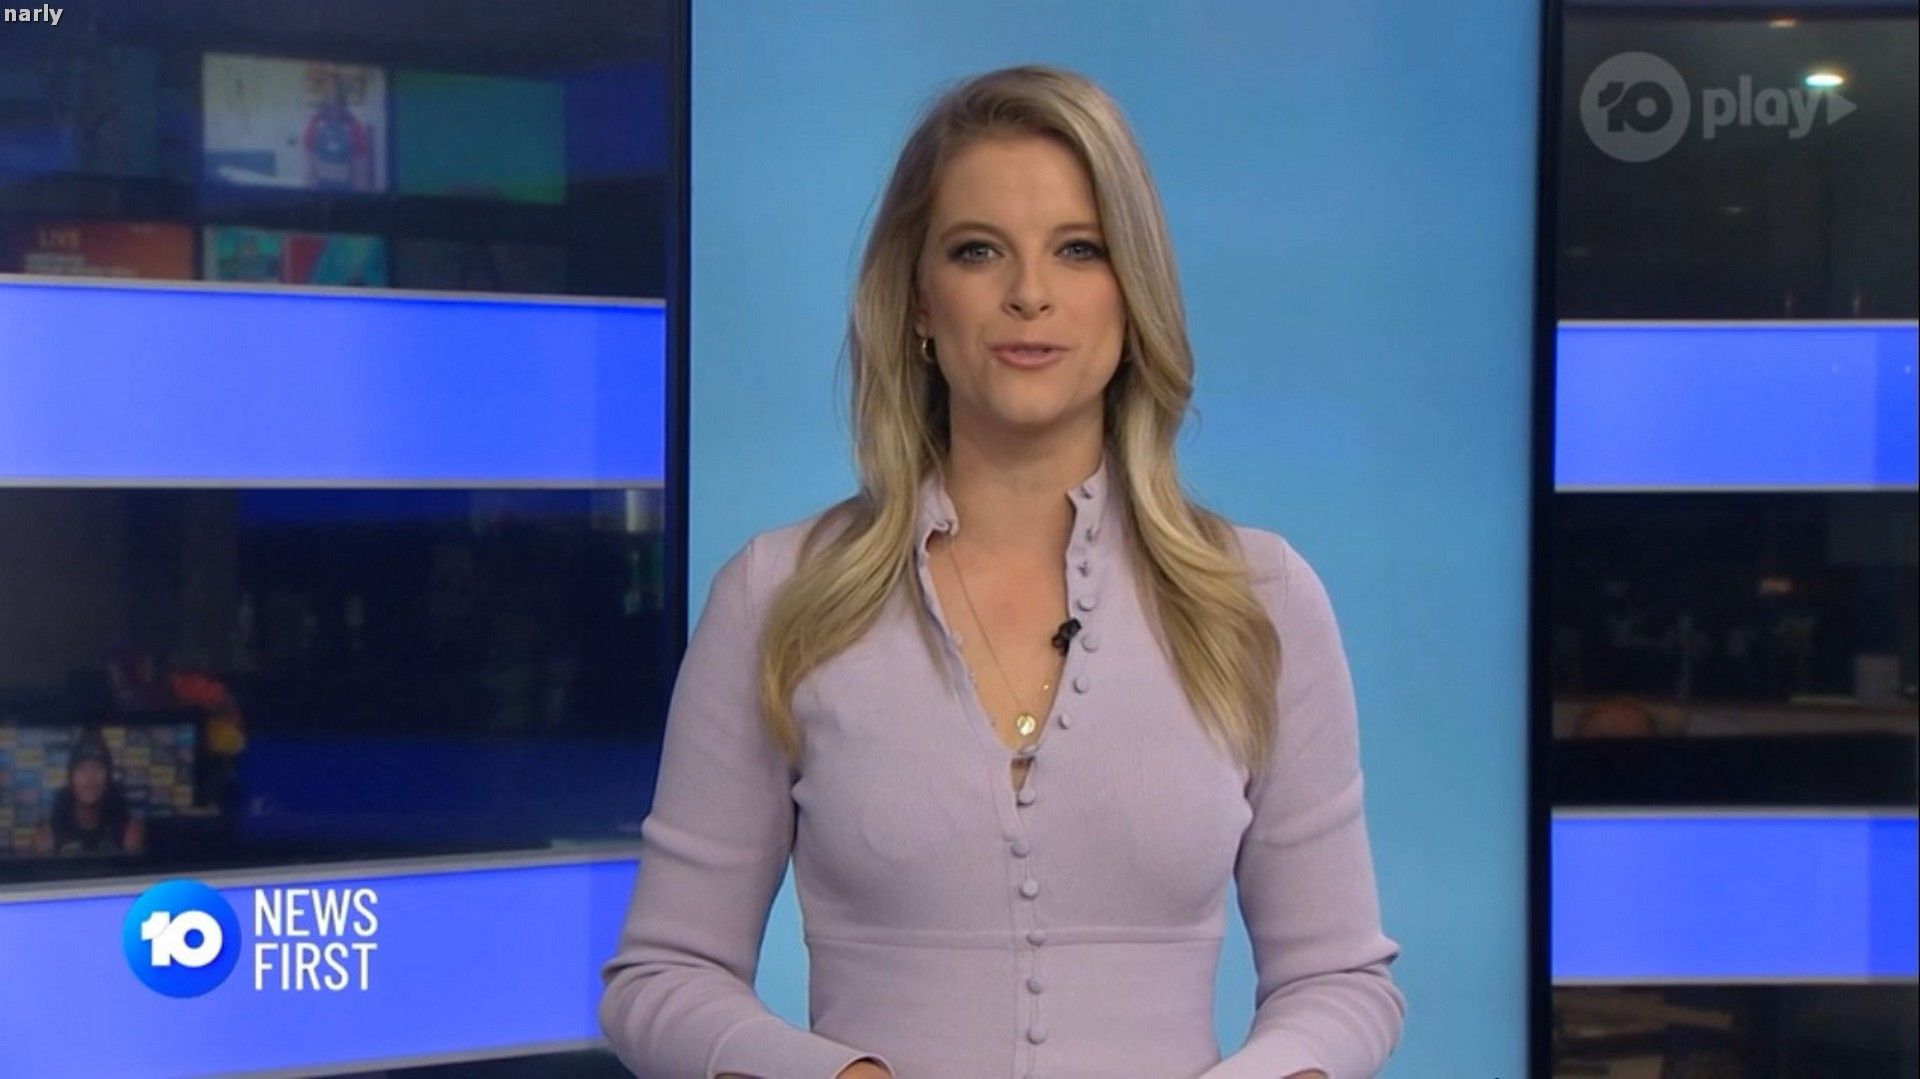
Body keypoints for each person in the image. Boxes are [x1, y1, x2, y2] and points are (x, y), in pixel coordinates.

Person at [598, 65, 1404, 1078]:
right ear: (918, 301)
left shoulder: (1258, 599)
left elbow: (1341, 980)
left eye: (1079, 249)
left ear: (1132, 294)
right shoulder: (780, 595)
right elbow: (662, 976)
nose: (1030, 293)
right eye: (978, 250)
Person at [32, 728, 146, 856]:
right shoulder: (48, 834)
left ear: (108, 777)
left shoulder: (129, 831)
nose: (90, 778)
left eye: (98, 768)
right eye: (81, 769)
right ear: (70, 778)